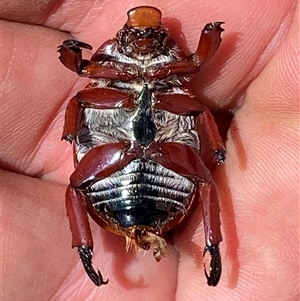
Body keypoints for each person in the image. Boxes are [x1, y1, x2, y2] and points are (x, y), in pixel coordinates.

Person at [1, 1, 298, 300]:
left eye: (153, 37)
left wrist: (216, 145)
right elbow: (82, 71)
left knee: (200, 174)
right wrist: (71, 109)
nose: (143, 43)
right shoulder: (95, 88)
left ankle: (213, 244)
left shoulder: (176, 76)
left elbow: (196, 69)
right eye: (133, 37)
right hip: (136, 173)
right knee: (80, 182)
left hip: (138, 167)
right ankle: (85, 247)